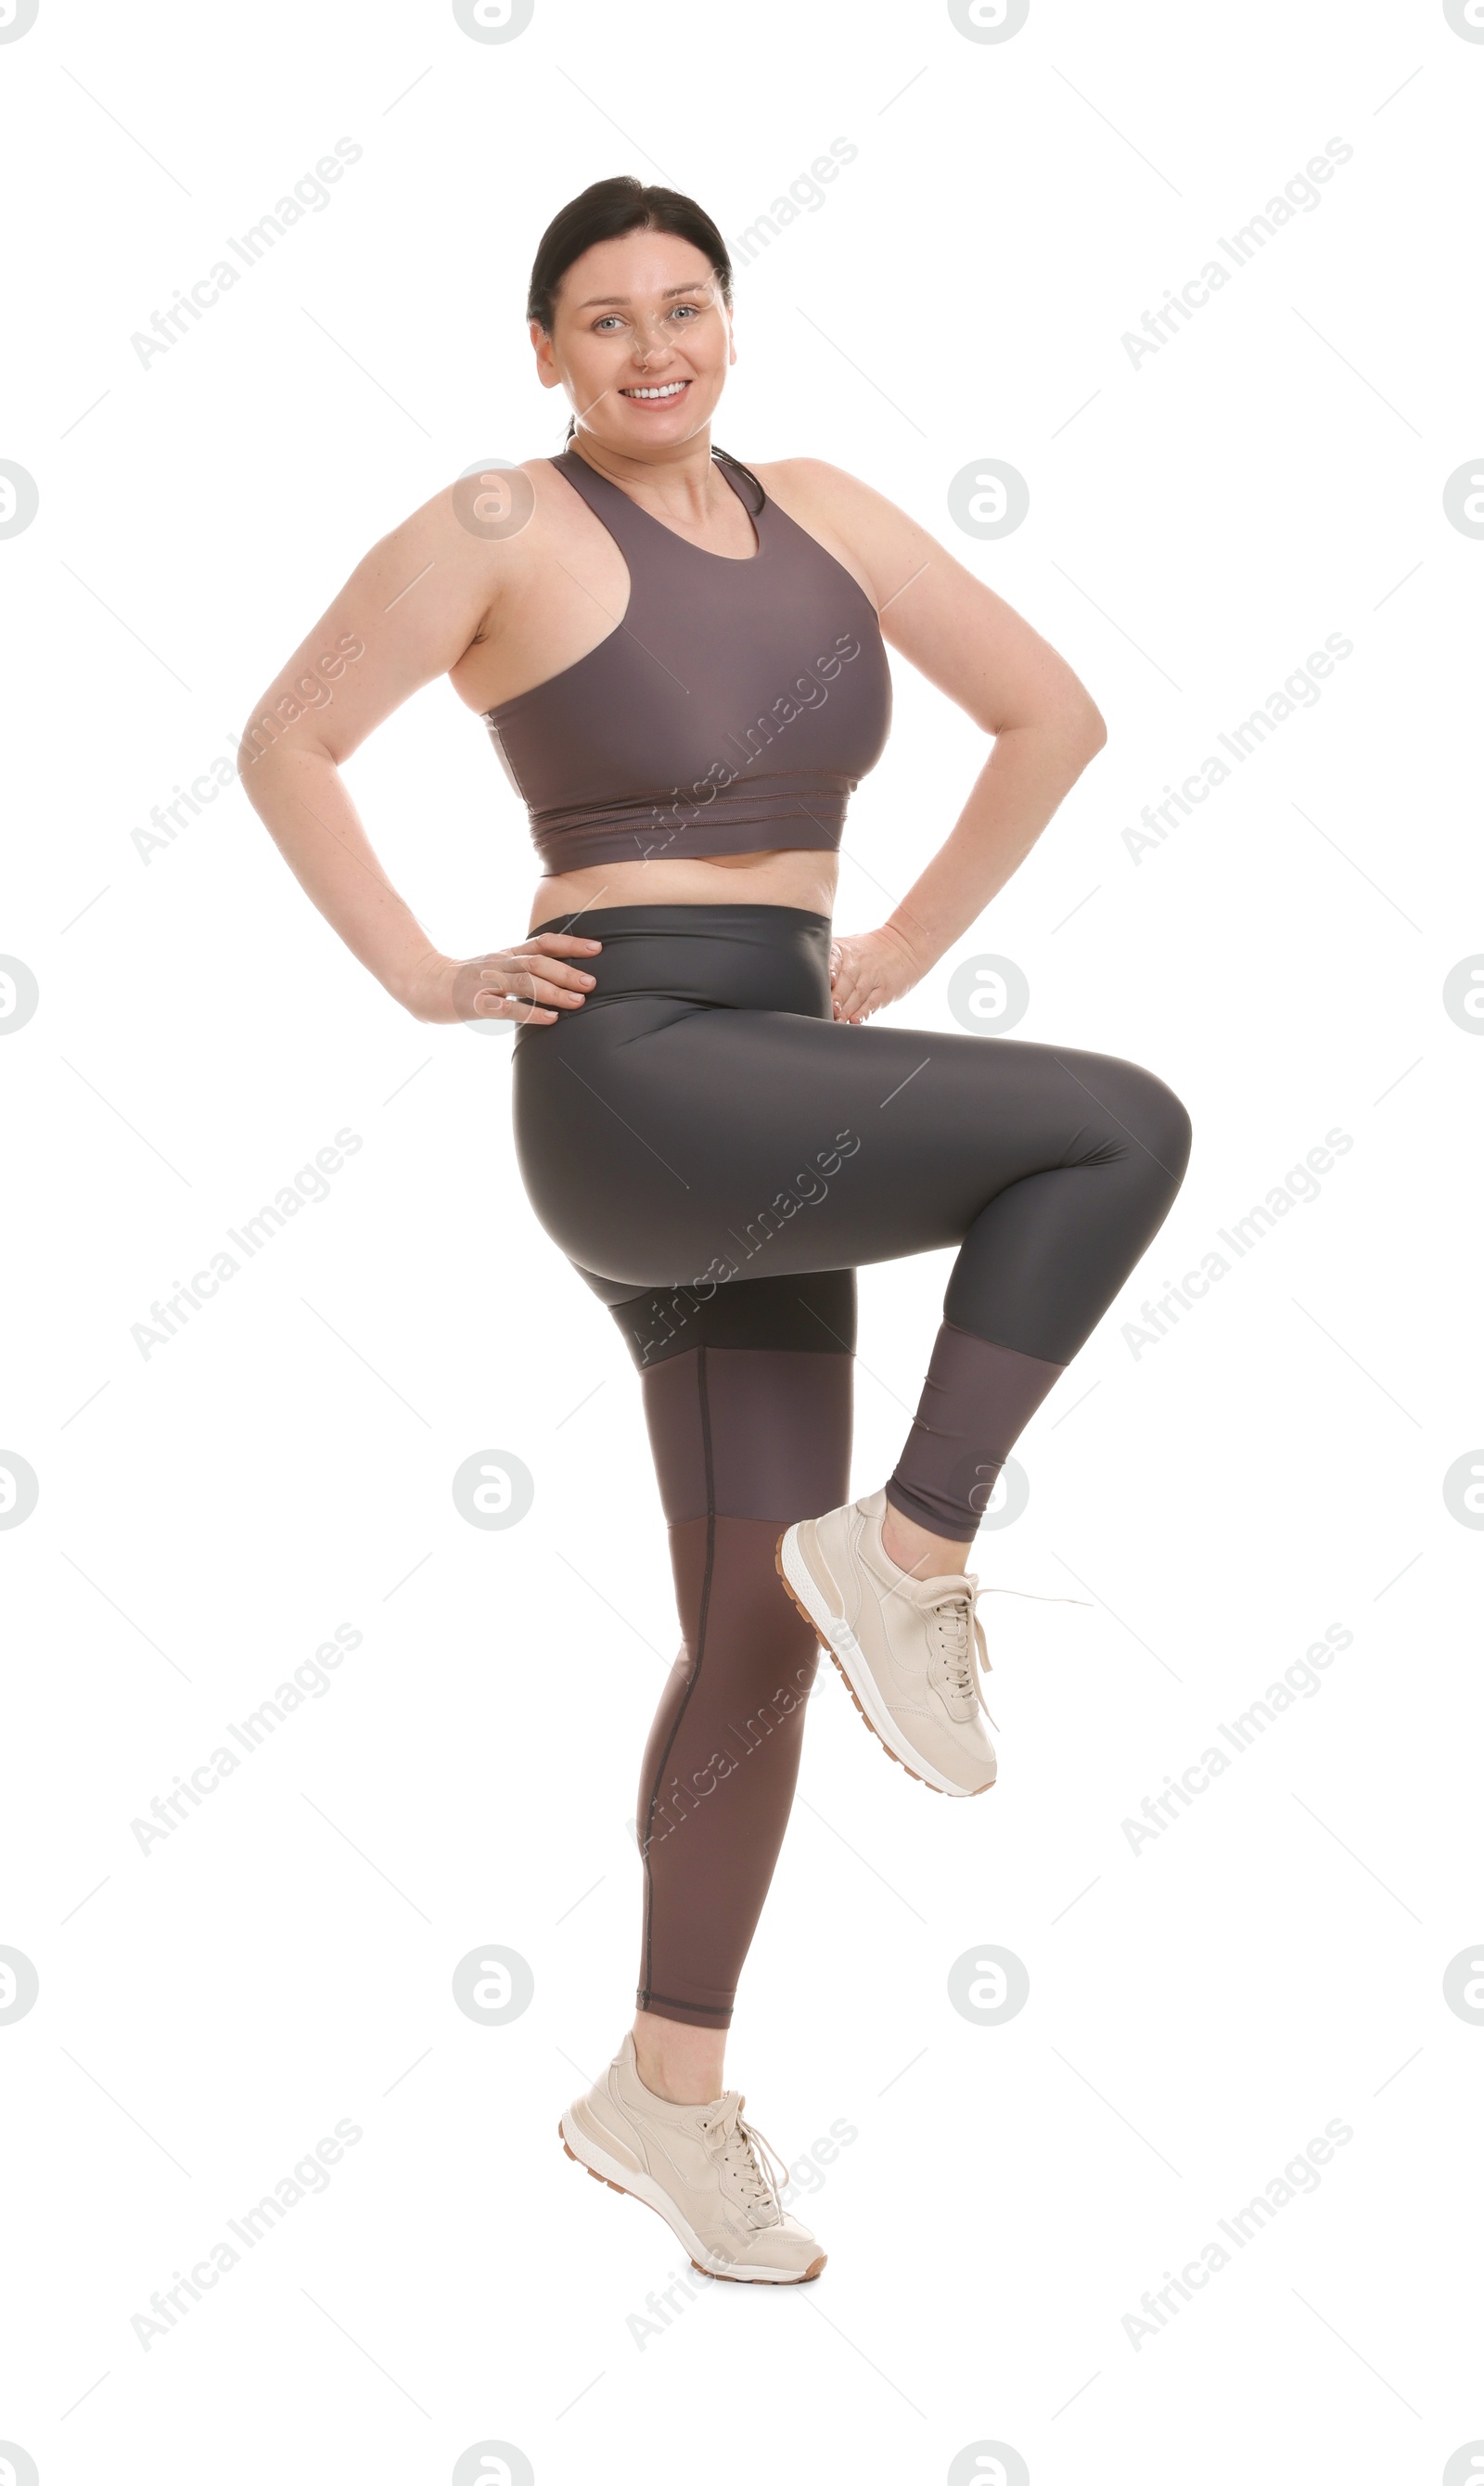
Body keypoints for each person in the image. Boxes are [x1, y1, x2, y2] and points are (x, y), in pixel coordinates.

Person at [238, 173, 1193, 2287]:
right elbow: (288, 736)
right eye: (601, 317)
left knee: (752, 1634)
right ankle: (916, 1544)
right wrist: (418, 969)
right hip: (636, 1078)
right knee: (1111, 1130)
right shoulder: (497, 525)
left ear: (732, 327)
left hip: (789, 1078)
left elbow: (1055, 713)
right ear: (546, 352)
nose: (650, 344)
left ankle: (661, 2094)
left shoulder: (831, 510)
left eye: (685, 306)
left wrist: (903, 942)